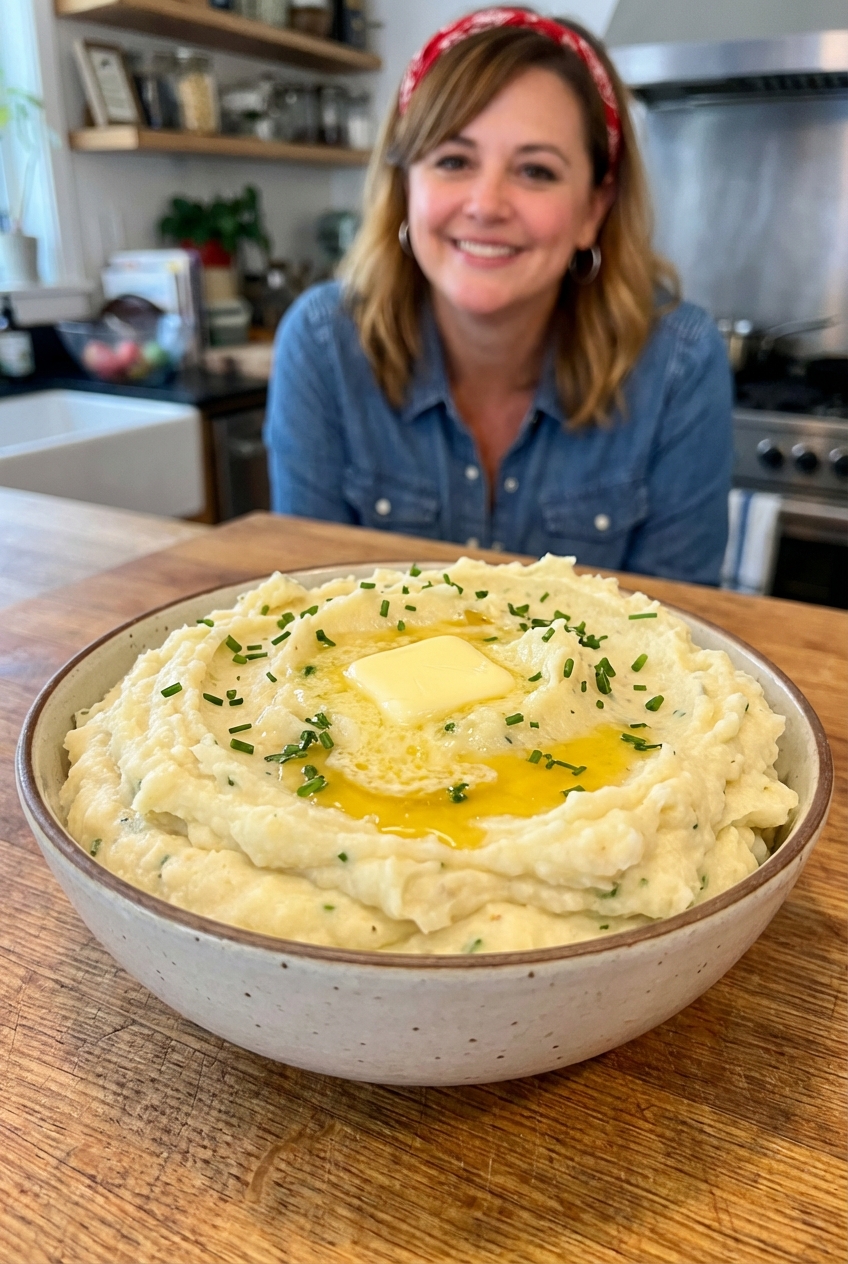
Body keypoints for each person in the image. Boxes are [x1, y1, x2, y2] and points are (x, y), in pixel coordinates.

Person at [265, 7, 732, 584]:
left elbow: (676, 630)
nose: (486, 205)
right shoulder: (322, 343)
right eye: (453, 161)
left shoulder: (679, 363)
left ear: (594, 207)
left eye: (536, 171)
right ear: (405, 185)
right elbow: (310, 611)